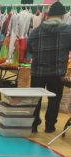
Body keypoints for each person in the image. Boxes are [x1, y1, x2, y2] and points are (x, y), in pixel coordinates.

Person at [27, 1, 71, 133]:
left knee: (36, 99)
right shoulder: (68, 32)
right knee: (54, 99)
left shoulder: (35, 32)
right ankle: (50, 126)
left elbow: (30, 49)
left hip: (38, 71)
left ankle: (33, 125)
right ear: (62, 16)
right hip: (57, 73)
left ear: (48, 16)